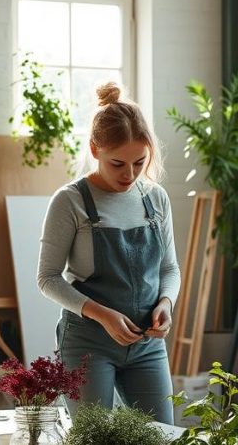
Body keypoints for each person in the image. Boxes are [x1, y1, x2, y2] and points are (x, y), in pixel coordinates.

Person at [37, 82, 180, 424]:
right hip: (89, 344)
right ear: (95, 149)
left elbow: (169, 269)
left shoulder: (155, 199)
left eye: (139, 162)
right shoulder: (70, 201)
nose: (129, 174)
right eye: (118, 163)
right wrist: (103, 315)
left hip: (147, 345)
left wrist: (165, 304)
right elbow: (47, 279)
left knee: (163, 442)